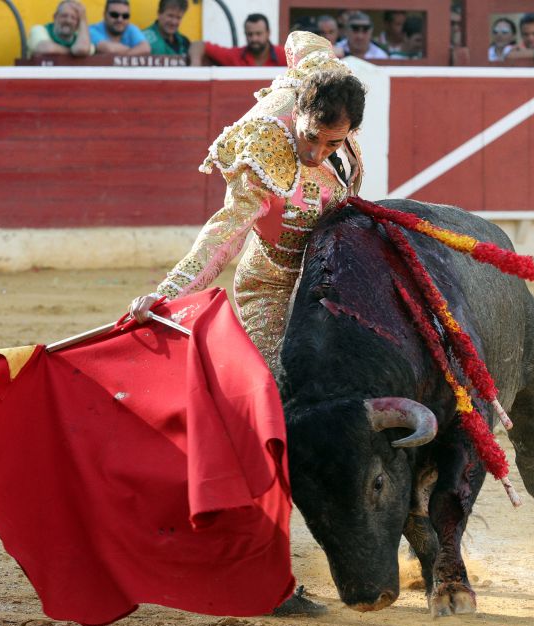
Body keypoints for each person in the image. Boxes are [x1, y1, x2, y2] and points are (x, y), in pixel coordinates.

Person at [129, 31, 365, 382]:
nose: (316, 154)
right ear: (297, 112)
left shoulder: (334, 103)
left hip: (329, 279)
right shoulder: (264, 148)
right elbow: (226, 231)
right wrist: (167, 294)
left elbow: (303, 40)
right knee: (278, 381)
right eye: (311, 137)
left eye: (332, 143)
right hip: (272, 283)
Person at [191, 12, 285, 66]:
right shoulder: (235, 56)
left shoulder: (285, 56)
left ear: (268, 33)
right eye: (250, 34)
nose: (254, 39)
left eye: (258, 34)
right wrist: (195, 66)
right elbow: (198, 45)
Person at [27, 0, 93, 56]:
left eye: (73, 18)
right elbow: (46, 48)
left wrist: (83, 20)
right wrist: (72, 52)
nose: (68, 21)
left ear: (78, 24)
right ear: (55, 17)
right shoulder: (39, 29)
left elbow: (82, 49)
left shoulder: (81, 39)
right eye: (64, 16)